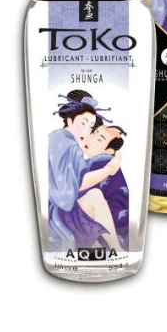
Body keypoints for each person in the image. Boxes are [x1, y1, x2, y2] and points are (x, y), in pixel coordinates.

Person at [47, 91, 125, 253]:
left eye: (91, 126)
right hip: (60, 212)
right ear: (70, 120)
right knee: (95, 196)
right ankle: (116, 249)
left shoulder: (56, 138)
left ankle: (115, 248)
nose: (87, 131)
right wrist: (110, 169)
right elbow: (76, 184)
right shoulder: (70, 147)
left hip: (55, 208)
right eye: (83, 123)